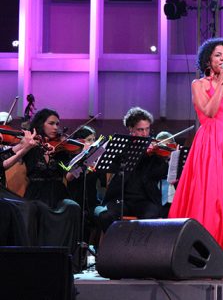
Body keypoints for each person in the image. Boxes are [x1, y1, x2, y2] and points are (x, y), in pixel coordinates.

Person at [168, 37, 223, 279]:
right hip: (209, 144)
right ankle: (202, 258)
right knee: (211, 198)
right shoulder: (198, 84)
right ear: (208, 60)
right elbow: (208, 111)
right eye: (218, 55)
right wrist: (218, 83)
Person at [23, 108, 82, 269]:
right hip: (37, 191)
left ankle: (64, 259)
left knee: (73, 207)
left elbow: (67, 174)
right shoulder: (31, 146)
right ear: (41, 124)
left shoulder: (63, 148)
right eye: (51, 123)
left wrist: (81, 162)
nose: (56, 127)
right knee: (39, 208)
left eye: (57, 124)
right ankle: (40, 260)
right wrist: (27, 145)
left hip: (58, 192)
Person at [96, 107, 169, 232]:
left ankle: (141, 249)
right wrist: (138, 153)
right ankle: (115, 248)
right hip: (121, 198)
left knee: (152, 216)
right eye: (140, 130)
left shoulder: (154, 151)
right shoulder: (122, 148)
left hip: (145, 199)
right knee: (106, 216)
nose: (145, 134)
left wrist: (165, 158)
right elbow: (105, 169)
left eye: (147, 129)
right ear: (131, 129)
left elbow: (162, 174)